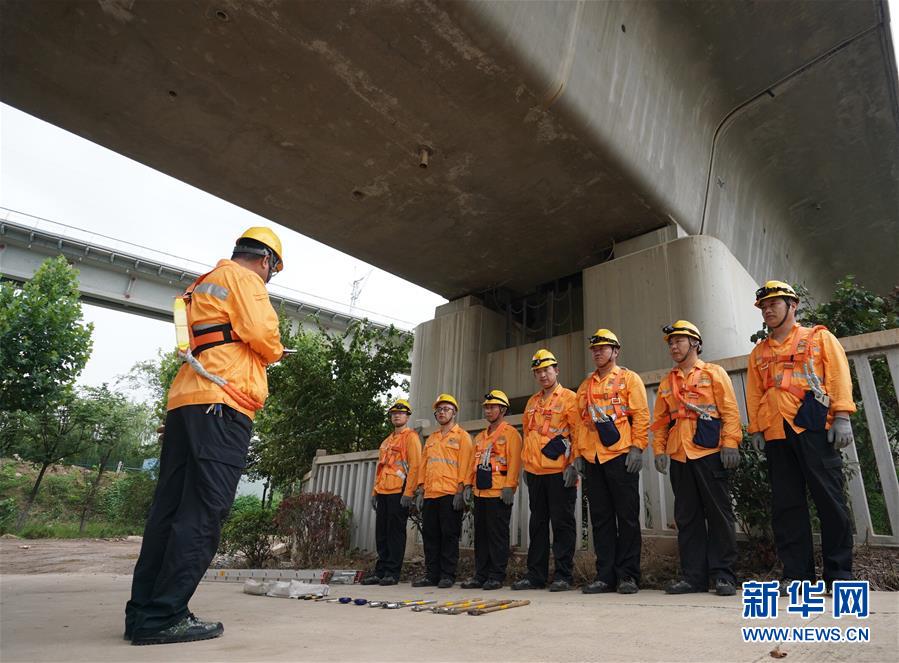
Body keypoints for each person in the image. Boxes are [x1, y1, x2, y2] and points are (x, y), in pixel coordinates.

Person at [126, 227, 285, 645]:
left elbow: (192, 342)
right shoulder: (245, 278)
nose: (269, 276)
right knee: (203, 511)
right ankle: (165, 616)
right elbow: (265, 338)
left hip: (186, 401)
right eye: (273, 269)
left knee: (169, 510)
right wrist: (273, 350)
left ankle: (143, 613)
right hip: (223, 400)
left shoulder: (198, 286)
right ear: (266, 260)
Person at [746, 281, 856, 593]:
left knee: (830, 502)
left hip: (813, 427)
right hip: (776, 432)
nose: (768, 310)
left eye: (774, 304)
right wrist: (756, 428)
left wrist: (843, 416)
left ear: (792, 306)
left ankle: (840, 576)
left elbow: (837, 375)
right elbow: (755, 393)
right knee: (787, 507)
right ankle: (798, 577)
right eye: (764, 307)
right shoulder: (759, 353)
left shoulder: (818, 338)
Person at [651, 320, 741, 596]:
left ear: (695, 343)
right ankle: (693, 577)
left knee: (719, 514)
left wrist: (731, 443)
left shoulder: (714, 373)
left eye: (678, 341)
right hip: (680, 455)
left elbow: (729, 411)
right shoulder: (668, 381)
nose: (673, 346)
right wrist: (659, 450)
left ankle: (724, 576)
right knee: (687, 518)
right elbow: (660, 421)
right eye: (671, 343)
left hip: (710, 451)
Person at [575, 329, 649, 595]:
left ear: (615, 351)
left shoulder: (629, 379)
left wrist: (638, 448)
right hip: (593, 459)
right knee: (601, 519)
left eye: (604, 348)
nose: (598, 352)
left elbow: (640, 415)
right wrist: (577, 456)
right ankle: (604, 576)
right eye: (594, 348)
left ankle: (628, 575)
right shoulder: (585, 386)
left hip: (620, 455)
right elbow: (579, 424)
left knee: (627, 517)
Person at [512, 349, 580, 592]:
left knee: (562, 524)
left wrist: (573, 465)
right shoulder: (532, 402)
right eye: (538, 371)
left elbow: (577, 433)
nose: (542, 375)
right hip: (536, 472)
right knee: (537, 525)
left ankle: (563, 575)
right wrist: (525, 465)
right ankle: (535, 575)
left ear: (556, 370)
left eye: (546, 370)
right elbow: (528, 435)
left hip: (560, 471)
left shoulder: (569, 398)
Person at [460, 390, 522, 590]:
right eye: (486, 407)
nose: (488, 411)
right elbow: (472, 463)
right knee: (481, 536)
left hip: (498, 493)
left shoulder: (511, 434)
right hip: (480, 492)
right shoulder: (479, 438)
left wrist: (510, 486)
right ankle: (481, 575)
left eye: (492, 407)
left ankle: (496, 575)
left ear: (502, 409)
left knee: (497, 536)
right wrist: (468, 485)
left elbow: (515, 462)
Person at [411, 393, 473, 588]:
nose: (442, 412)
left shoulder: (462, 437)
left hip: (449, 494)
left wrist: (461, 490)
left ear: (454, 412)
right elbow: (423, 465)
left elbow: (466, 465)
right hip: (430, 494)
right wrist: (420, 490)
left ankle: (447, 575)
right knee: (430, 536)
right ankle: (432, 575)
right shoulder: (431, 439)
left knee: (449, 536)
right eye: (439, 410)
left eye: (446, 409)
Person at [361, 399, 421, 587]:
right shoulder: (386, 442)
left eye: (401, 413)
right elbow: (381, 469)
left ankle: (392, 573)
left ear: (408, 416)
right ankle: (381, 571)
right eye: (394, 413)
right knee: (382, 534)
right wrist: (374, 492)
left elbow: (416, 466)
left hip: (399, 492)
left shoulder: (410, 438)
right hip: (383, 492)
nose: (397, 415)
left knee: (395, 534)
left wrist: (409, 493)